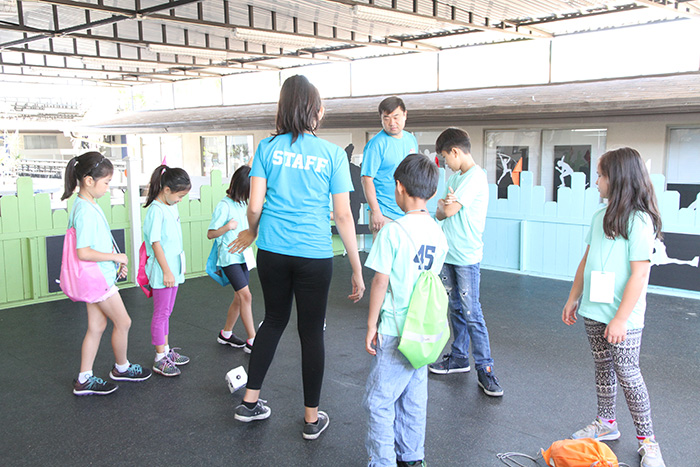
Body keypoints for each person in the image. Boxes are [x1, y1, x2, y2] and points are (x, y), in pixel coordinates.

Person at [229, 75, 365, 440]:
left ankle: (249, 403)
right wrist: (356, 267)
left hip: (272, 250)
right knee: (311, 332)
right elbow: (343, 216)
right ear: (315, 111)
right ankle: (311, 420)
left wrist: (253, 232)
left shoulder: (266, 147)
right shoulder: (333, 154)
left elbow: (254, 206)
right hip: (313, 254)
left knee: (273, 321)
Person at [562, 147, 665, 467]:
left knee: (628, 374)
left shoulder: (639, 221)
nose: (596, 181)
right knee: (603, 367)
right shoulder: (599, 217)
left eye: (601, 175)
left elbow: (640, 274)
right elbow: (587, 260)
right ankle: (606, 422)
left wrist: (621, 319)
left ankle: (648, 441)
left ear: (618, 179)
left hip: (624, 316)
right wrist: (573, 296)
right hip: (594, 309)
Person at [363, 154, 448, 467]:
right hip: (423, 330)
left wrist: (371, 324)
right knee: (413, 399)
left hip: (395, 329)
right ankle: (412, 458)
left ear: (399, 187)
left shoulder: (393, 231)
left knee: (378, 402)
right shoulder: (438, 233)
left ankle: (382, 461)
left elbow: (380, 282)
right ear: (432, 192)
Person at [62, 151, 151, 395]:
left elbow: (97, 242)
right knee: (123, 321)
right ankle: (121, 367)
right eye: (106, 182)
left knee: (97, 326)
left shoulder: (85, 204)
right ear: (89, 180)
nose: (108, 187)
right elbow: (84, 252)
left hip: (96, 277)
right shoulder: (85, 210)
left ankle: (84, 378)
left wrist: (115, 261)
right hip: (98, 279)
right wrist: (115, 258)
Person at [428, 128, 503, 397]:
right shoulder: (456, 178)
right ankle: (459, 357)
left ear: (455, 152)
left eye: (445, 157)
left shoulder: (475, 177)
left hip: (467, 257)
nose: (445, 163)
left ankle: (485, 368)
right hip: (449, 254)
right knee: (456, 309)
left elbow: (447, 210)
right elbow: (440, 210)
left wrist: (445, 206)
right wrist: (444, 207)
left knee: (472, 313)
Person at [143, 165, 192, 377]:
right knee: (161, 314)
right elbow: (155, 243)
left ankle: (165, 350)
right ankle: (159, 357)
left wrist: (176, 269)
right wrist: (166, 271)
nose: (180, 200)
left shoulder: (171, 206)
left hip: (173, 269)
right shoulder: (156, 210)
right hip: (163, 272)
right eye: (179, 196)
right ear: (166, 190)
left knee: (167, 313)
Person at [208, 165, 256, 352]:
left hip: (243, 256)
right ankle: (252, 339)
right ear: (241, 186)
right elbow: (211, 234)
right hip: (229, 258)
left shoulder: (243, 203)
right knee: (246, 296)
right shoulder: (224, 205)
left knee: (239, 297)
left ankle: (226, 334)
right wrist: (227, 227)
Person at [361, 96, 418, 234]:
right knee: (384, 248)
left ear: (405, 115)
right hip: (384, 212)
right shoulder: (376, 145)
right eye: (386, 118)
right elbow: (367, 179)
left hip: (407, 211)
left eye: (396, 117)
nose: (392, 123)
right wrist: (376, 212)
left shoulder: (411, 140)